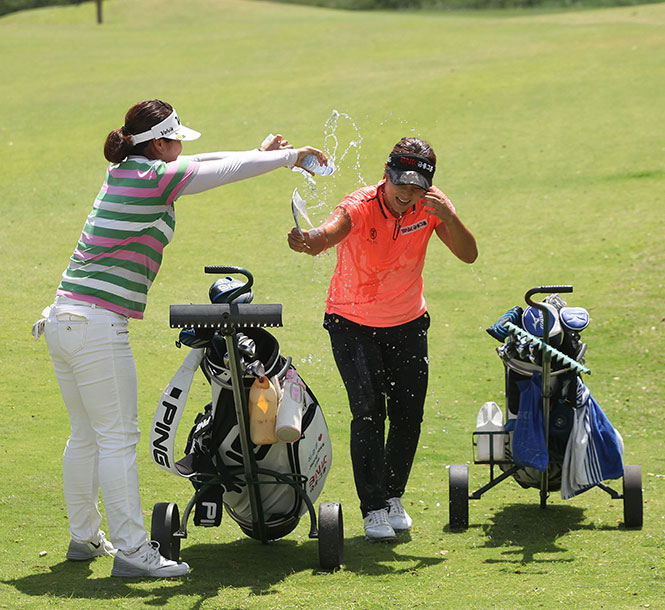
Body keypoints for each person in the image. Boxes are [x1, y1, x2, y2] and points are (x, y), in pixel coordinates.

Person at [33, 99, 327, 577]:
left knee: (86, 436)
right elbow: (220, 171)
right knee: (115, 440)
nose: (181, 149)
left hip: (65, 320)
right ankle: (132, 551)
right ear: (160, 144)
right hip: (95, 326)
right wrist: (288, 158)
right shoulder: (154, 178)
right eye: (176, 141)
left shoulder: (130, 170)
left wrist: (261, 153)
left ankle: (84, 537)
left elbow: (205, 164)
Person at [287, 137, 477, 541]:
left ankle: (393, 497)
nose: (406, 196)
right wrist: (311, 240)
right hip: (351, 325)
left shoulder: (432, 205)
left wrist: (450, 217)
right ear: (386, 176)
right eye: (400, 186)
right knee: (370, 412)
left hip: (408, 323)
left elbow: (468, 254)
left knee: (409, 415)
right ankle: (372, 507)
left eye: (416, 188)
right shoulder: (359, 204)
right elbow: (330, 233)